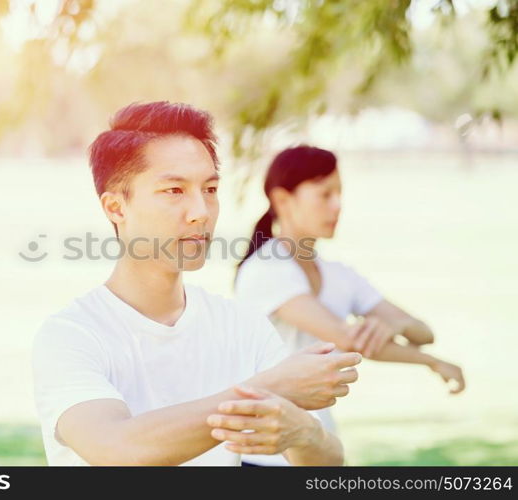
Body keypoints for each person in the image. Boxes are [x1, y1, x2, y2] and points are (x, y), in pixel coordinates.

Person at [32, 103, 363, 466]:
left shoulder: (242, 327)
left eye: (209, 189)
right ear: (115, 208)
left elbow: (327, 462)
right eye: (174, 190)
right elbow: (117, 449)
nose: (201, 212)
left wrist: (305, 432)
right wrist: (270, 387)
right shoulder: (72, 335)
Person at [234, 145, 466, 467]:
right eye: (324, 195)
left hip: (317, 446)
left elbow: (423, 331)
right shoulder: (266, 270)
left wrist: (394, 325)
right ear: (283, 200)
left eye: (339, 194)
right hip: (262, 457)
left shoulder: (340, 275)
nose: (337, 206)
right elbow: (348, 338)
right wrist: (432, 363)